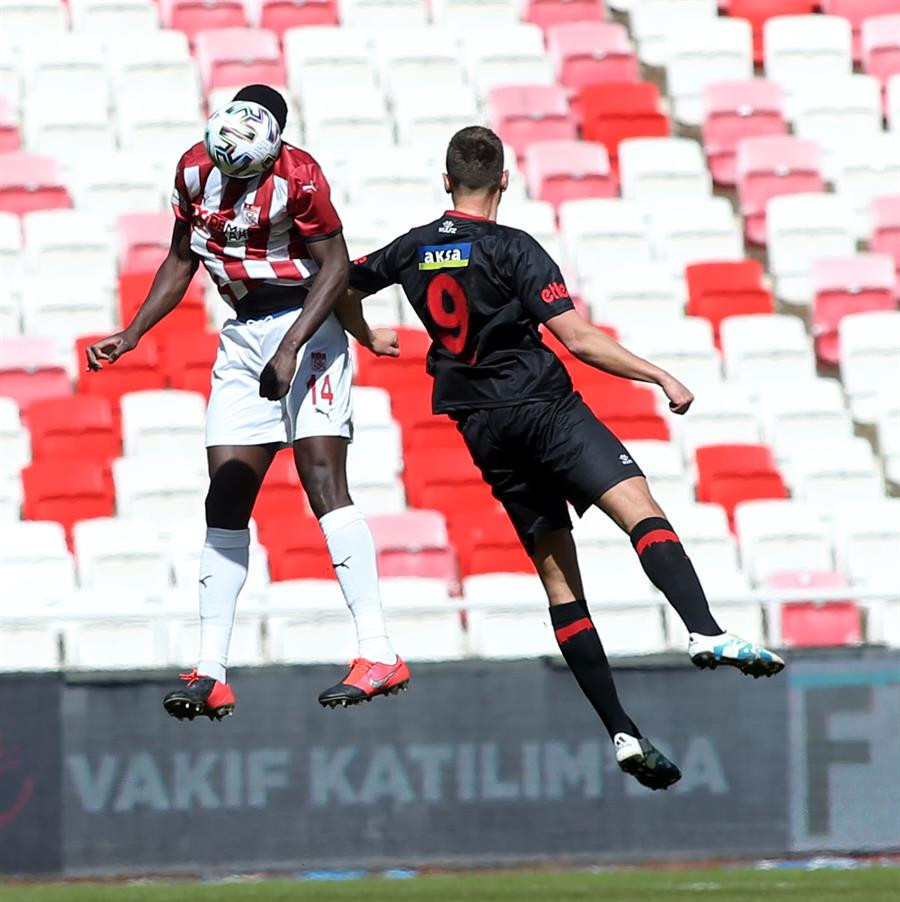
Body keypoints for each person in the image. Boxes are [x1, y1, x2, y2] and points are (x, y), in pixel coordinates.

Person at [340, 125, 785, 791]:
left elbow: (341, 283)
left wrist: (366, 336)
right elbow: (575, 338)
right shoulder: (512, 247)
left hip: (481, 427)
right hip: (543, 409)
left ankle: (621, 730)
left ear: (446, 182)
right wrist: (658, 374)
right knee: (640, 510)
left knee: (559, 582)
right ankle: (704, 629)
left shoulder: (411, 247)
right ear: (505, 180)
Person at [86, 85, 409, 720]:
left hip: (306, 327)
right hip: (240, 337)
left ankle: (378, 651)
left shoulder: (301, 176)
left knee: (322, 477)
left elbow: (336, 268)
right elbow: (181, 258)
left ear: (273, 148)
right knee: (226, 494)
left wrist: (292, 349)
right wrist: (132, 333)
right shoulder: (192, 168)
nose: (233, 181)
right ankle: (211, 672)